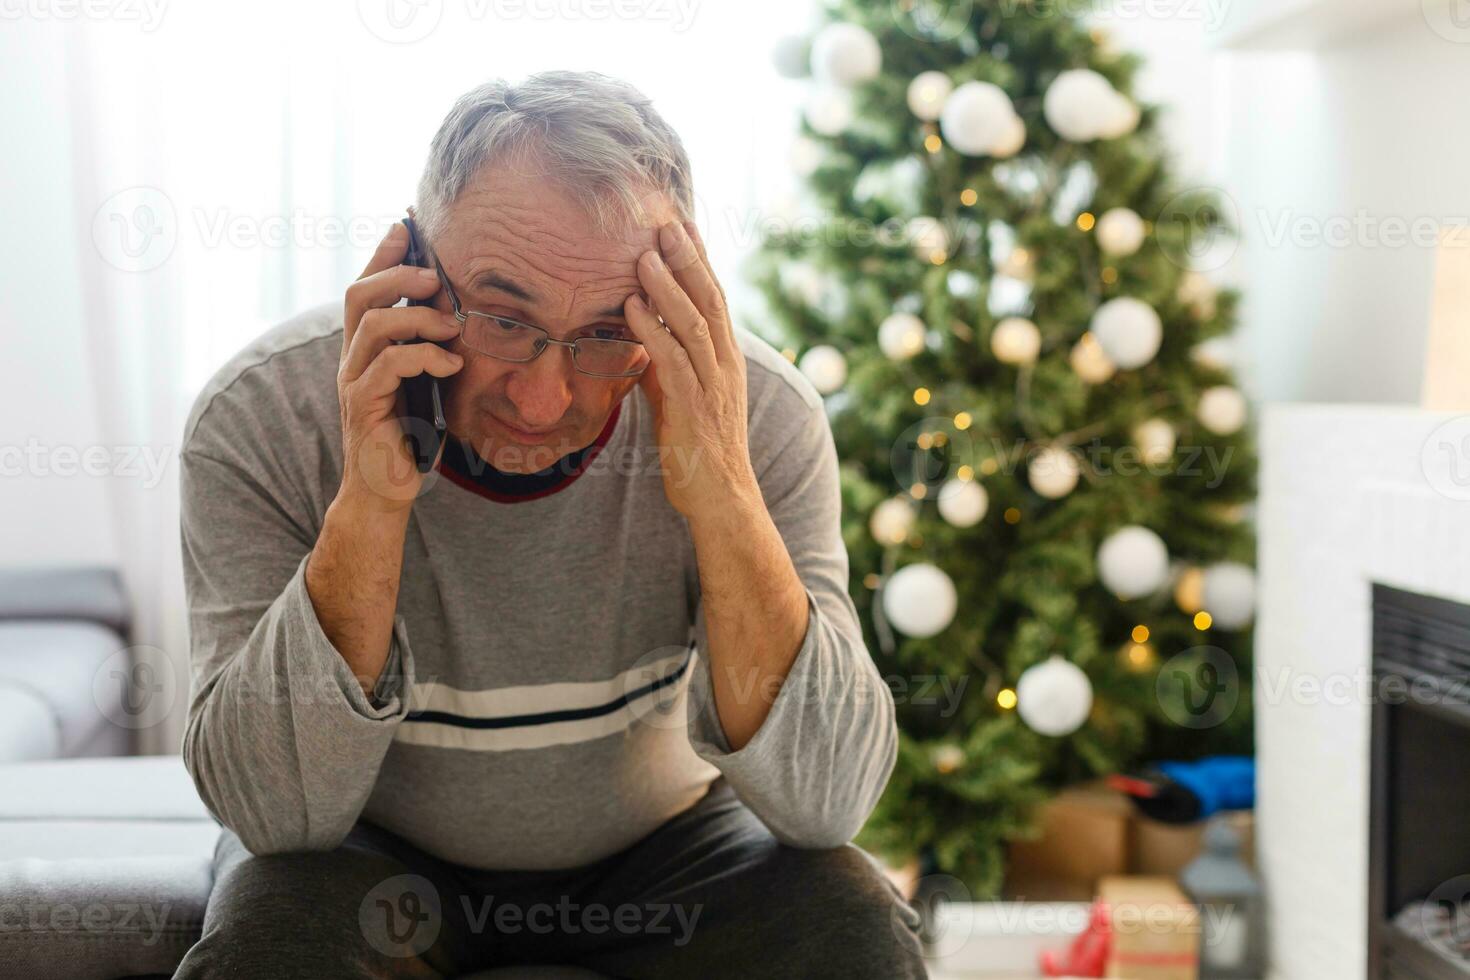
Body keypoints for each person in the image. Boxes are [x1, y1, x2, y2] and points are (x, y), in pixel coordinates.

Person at [172, 70, 926, 979]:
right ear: (410, 265)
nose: (543, 398)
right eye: (502, 316)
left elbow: (829, 800)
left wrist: (722, 485)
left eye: (607, 333)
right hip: (374, 852)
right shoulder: (257, 416)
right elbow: (273, 817)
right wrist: (371, 498)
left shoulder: (755, 415)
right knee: (275, 944)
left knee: (851, 927)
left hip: (664, 848)